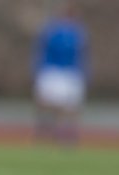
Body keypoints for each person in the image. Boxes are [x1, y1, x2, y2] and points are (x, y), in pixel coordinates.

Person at [33, 3, 88, 145]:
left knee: (71, 107)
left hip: (71, 72)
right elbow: (41, 51)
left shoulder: (78, 32)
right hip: (52, 71)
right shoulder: (51, 30)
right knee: (48, 104)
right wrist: (39, 69)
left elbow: (82, 55)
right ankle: (46, 133)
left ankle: (68, 135)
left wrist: (84, 72)